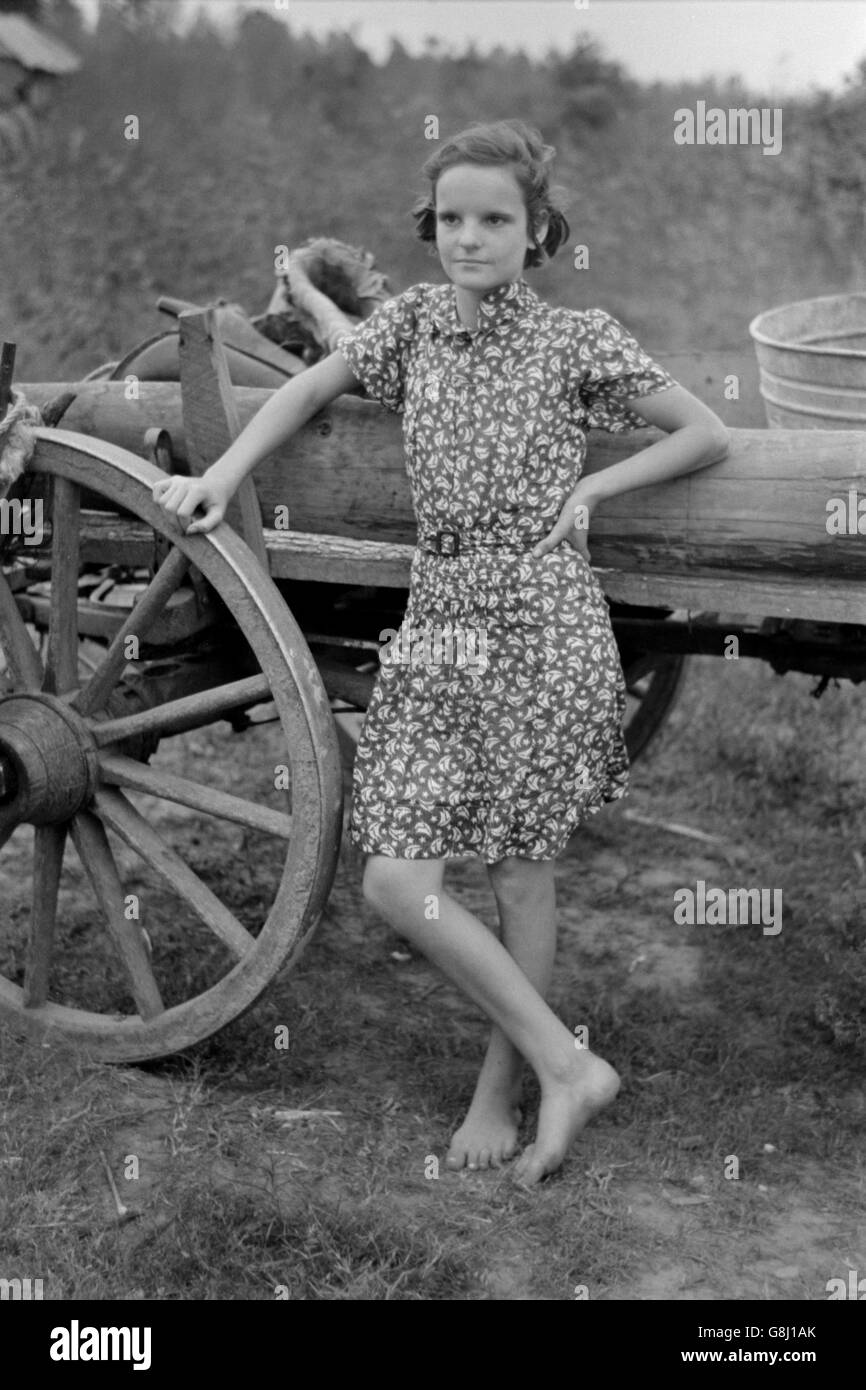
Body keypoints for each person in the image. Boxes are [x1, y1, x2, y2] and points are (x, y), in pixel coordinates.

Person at [153, 119, 729, 1186]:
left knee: (519, 869)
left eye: (494, 220)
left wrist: (594, 487)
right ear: (432, 227)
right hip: (439, 621)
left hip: (542, 621)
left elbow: (704, 430)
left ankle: (503, 1092)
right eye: (452, 219)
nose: (469, 238)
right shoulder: (413, 326)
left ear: (536, 231)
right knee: (394, 879)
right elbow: (309, 389)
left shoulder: (575, 340)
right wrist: (222, 476)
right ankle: (570, 1064)